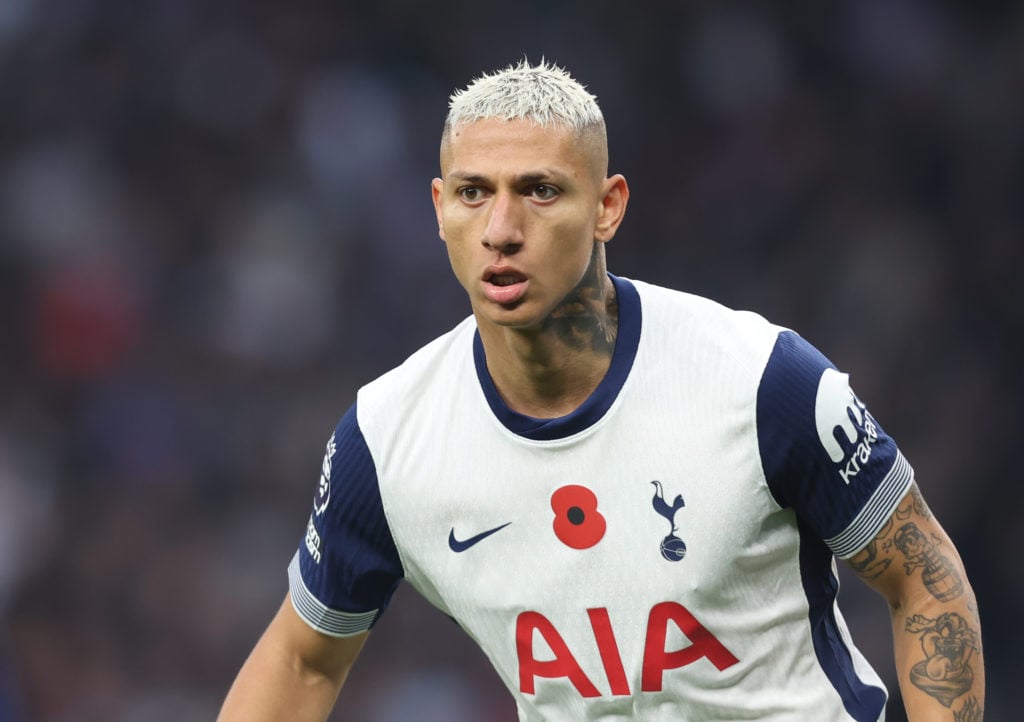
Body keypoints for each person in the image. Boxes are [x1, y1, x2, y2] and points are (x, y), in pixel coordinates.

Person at [217, 60, 985, 721]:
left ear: (608, 206)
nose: (502, 228)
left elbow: (925, 577)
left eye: (541, 191)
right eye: (473, 193)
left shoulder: (761, 380)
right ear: (438, 209)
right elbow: (301, 662)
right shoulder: (386, 440)